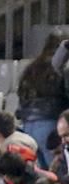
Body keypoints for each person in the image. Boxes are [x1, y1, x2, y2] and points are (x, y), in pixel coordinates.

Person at [16, 33, 69, 167]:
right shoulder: (60, 67)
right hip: (51, 122)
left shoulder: (31, 68)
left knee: (42, 175)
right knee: (59, 169)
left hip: (28, 124)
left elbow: (21, 93)